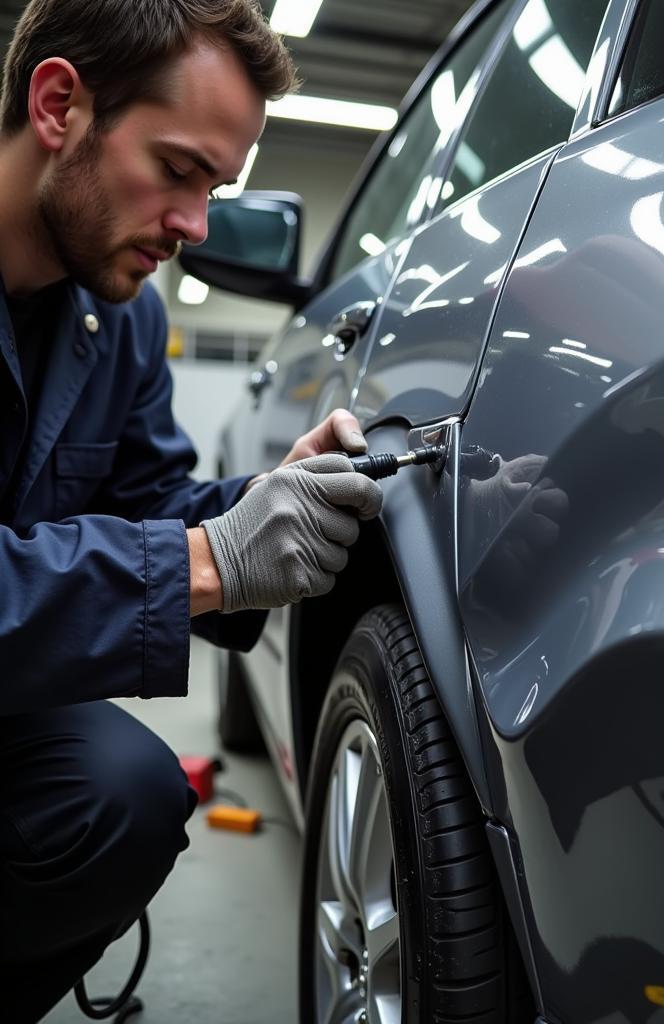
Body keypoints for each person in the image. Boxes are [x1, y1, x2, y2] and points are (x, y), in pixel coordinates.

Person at [0, 2, 383, 1019]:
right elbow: (182, 553)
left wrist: (258, 503)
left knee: (128, 795)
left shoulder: (117, 319)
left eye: (215, 189)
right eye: (177, 171)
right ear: (58, 106)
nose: (196, 227)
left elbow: (149, 505)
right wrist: (210, 559)